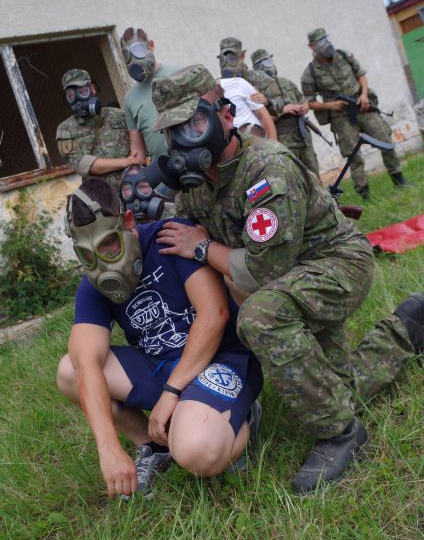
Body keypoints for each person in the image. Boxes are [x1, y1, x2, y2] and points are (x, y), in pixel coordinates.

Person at [148, 63, 424, 494]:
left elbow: (264, 269)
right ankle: (406, 327)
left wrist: (202, 247)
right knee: (338, 388)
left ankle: (340, 433)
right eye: (172, 132)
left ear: (225, 115)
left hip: (335, 265)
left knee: (261, 316)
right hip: (286, 281)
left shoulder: (266, 168)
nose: (184, 141)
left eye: (194, 124)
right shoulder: (197, 185)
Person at [56, 177, 263, 500]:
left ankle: (241, 418)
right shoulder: (92, 286)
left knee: (196, 451)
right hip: (160, 366)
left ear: (128, 221)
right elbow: (86, 363)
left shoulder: (172, 238)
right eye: (88, 254)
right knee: (71, 370)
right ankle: (153, 445)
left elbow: (215, 315)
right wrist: (108, 448)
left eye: (109, 244)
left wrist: (171, 392)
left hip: (219, 359)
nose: (102, 262)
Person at [300, 28, 412, 199]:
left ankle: (399, 180)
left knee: (384, 139)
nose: (325, 43)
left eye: (326, 39)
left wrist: (364, 94)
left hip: (362, 106)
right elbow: (309, 102)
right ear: (311, 47)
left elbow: (361, 75)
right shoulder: (310, 73)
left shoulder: (344, 55)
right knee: (353, 155)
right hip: (341, 116)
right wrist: (330, 105)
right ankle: (364, 194)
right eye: (320, 41)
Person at [56, 69, 133, 191]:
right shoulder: (65, 130)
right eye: (71, 96)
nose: (78, 99)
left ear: (92, 89)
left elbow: (138, 149)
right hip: (101, 195)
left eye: (83, 92)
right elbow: (84, 165)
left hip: (132, 186)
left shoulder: (119, 115)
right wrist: (126, 162)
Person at [251, 48, 320, 177]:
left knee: (313, 173)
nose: (268, 65)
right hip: (283, 140)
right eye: (262, 63)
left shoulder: (286, 83)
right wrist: (283, 110)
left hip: (302, 136)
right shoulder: (256, 92)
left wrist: (304, 107)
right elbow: (260, 120)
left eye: (269, 60)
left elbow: (303, 101)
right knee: (293, 177)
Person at [121, 27, 180, 163]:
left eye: (138, 50)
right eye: (127, 55)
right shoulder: (130, 99)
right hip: (164, 170)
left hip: (194, 159)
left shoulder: (179, 73)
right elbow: (137, 151)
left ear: (151, 45)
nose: (133, 60)